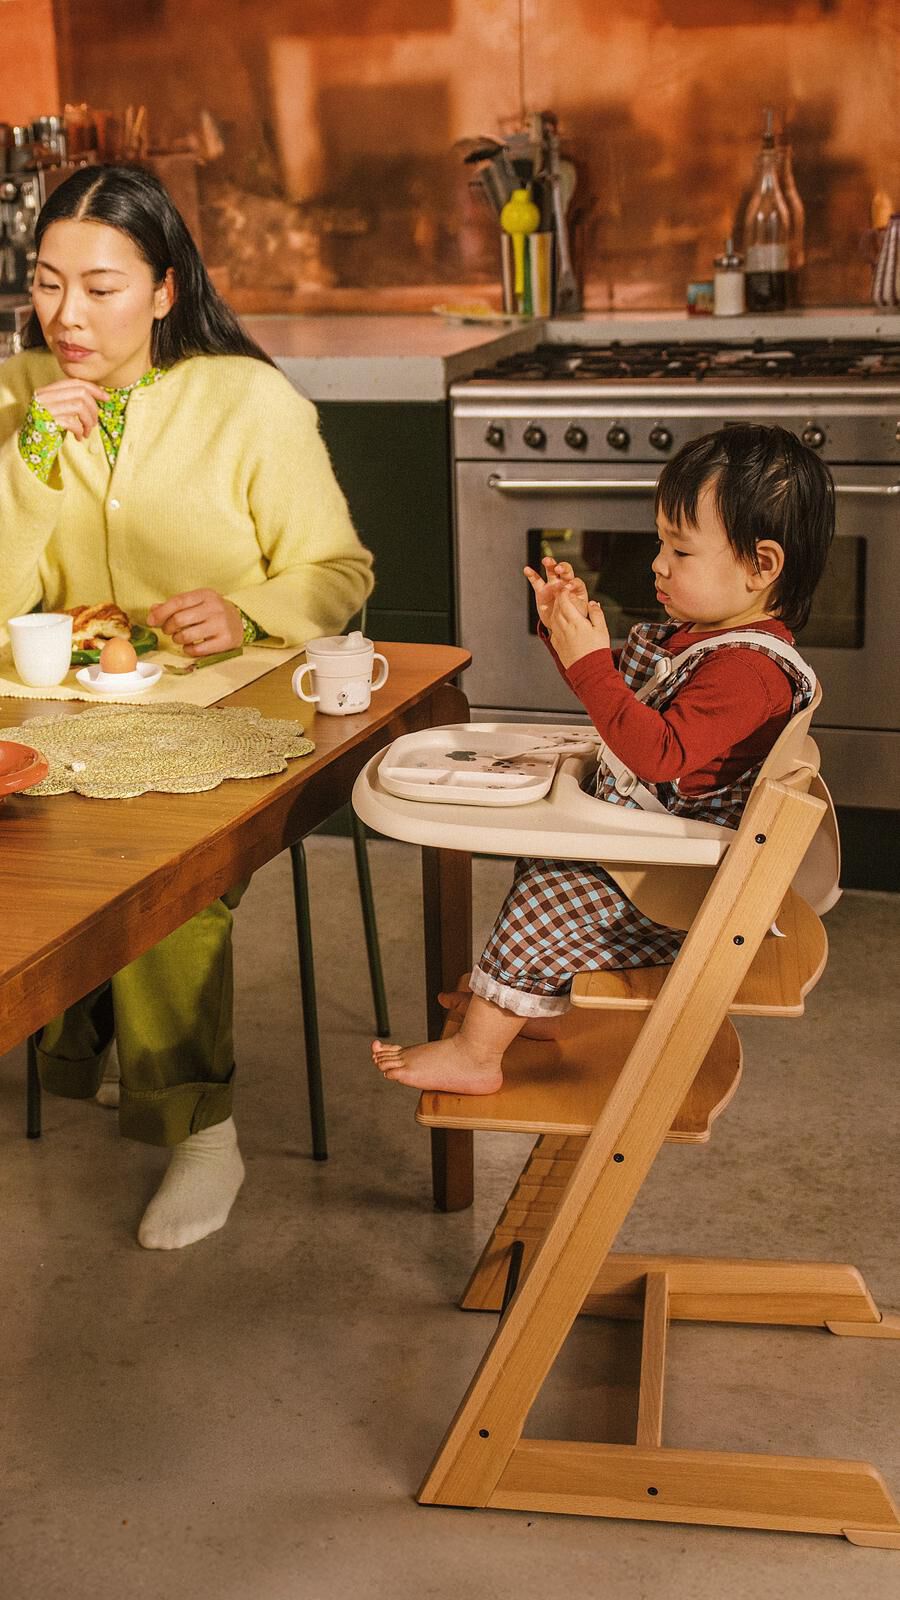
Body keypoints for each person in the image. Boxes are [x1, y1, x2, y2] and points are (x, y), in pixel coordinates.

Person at [0, 164, 373, 1247]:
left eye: (102, 286)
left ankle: (200, 1127)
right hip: (53, 723)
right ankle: (77, 1046)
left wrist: (251, 611)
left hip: (221, 719)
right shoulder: (16, 392)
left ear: (166, 291)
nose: (67, 314)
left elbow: (338, 571)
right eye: (47, 282)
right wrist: (26, 465)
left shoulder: (248, 401)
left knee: (167, 872)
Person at [373, 424, 833, 1094]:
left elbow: (654, 753)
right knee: (543, 859)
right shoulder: (715, 641)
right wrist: (573, 639)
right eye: (660, 543)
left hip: (678, 887)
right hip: (648, 851)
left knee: (549, 898)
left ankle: (478, 1053)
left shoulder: (748, 673)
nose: (658, 564)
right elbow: (623, 710)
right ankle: (533, 1000)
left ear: (762, 566)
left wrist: (590, 662)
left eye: (680, 549)